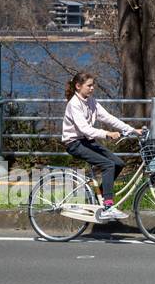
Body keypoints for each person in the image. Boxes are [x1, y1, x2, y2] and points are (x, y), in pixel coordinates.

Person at [61, 72, 142, 222]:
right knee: (108, 165)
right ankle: (107, 207)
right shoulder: (74, 104)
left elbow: (108, 117)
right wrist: (107, 134)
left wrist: (131, 130)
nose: (92, 88)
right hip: (74, 143)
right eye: (89, 85)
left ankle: (104, 195)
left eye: (93, 85)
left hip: (86, 141)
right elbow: (85, 129)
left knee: (118, 163)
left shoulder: (91, 101)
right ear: (78, 86)